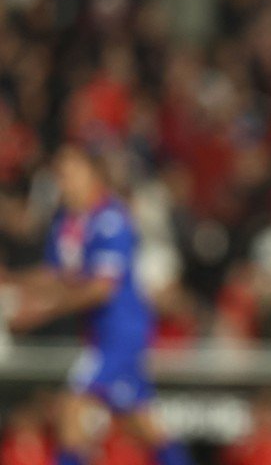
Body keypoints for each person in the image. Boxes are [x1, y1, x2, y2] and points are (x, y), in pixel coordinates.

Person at [4, 145, 192, 465]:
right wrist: (11, 280)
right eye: (60, 175)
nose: (64, 182)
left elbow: (101, 289)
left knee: (71, 407)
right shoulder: (66, 222)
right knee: (143, 423)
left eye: (71, 173)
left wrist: (38, 313)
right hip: (98, 334)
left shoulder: (112, 219)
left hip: (122, 333)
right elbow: (56, 275)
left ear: (93, 175)